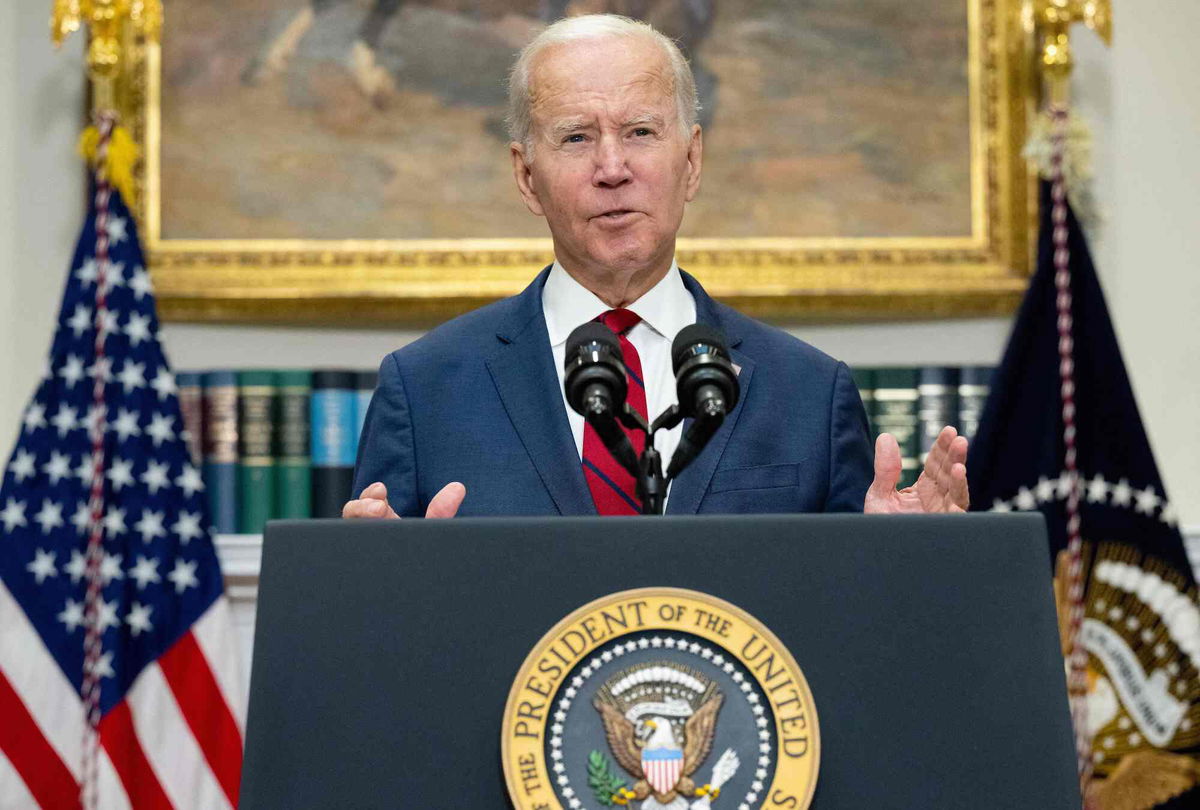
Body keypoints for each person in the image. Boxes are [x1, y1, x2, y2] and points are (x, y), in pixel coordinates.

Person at [344, 14, 969, 520]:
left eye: (641, 131)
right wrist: (385, 585)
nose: (613, 167)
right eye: (576, 138)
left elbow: (849, 634)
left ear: (691, 161)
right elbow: (374, 644)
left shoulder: (808, 391)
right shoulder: (425, 390)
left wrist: (904, 562)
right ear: (526, 177)